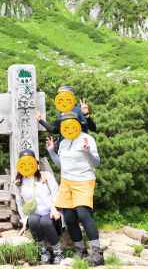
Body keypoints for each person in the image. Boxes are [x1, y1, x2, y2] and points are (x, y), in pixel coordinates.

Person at [47, 112, 103, 266]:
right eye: (64, 125)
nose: (67, 127)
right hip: (66, 182)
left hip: (84, 180)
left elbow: (96, 163)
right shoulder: (64, 143)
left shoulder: (87, 139)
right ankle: (81, 251)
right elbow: (62, 165)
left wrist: (87, 152)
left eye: (70, 123)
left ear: (78, 124)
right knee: (70, 218)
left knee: (84, 215)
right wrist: (51, 151)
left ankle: (97, 252)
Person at [13, 149, 65, 265]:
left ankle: (58, 252)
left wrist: (54, 208)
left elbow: (56, 193)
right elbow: (20, 204)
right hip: (34, 213)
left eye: (29, 163)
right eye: (24, 164)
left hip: (51, 211)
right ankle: (43, 253)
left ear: (35, 163)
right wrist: (24, 222)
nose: (27, 166)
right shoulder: (18, 183)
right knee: (33, 220)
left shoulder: (46, 176)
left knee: (45, 222)